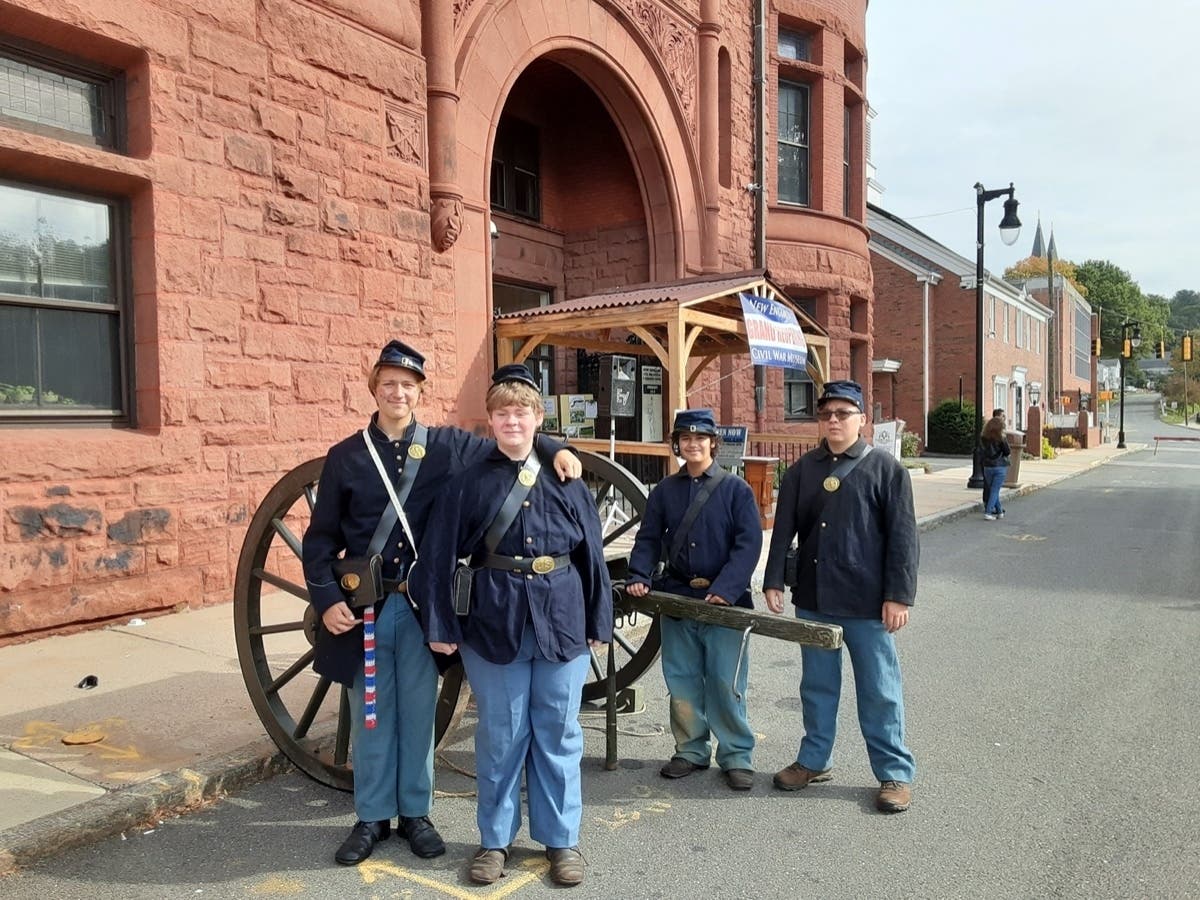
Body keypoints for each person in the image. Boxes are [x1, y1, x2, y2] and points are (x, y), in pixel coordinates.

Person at [302, 342, 581, 867]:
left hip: (419, 605)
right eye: (388, 382)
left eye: (408, 385)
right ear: (374, 388)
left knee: (417, 710)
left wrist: (556, 447)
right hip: (366, 608)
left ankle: (415, 814)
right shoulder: (346, 456)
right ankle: (371, 818)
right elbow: (319, 541)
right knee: (370, 716)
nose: (398, 392)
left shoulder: (448, 446)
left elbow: (513, 438)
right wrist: (323, 598)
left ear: (420, 392)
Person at [412, 364, 613, 888]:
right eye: (502, 413)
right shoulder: (468, 482)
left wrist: (600, 619)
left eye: (521, 412)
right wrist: (440, 623)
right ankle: (494, 840)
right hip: (492, 620)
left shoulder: (566, 478)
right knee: (501, 735)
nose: (512, 421)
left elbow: (591, 552)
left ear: (537, 418)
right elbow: (437, 557)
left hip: (562, 620)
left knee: (559, 733)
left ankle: (561, 841)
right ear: (492, 419)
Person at [763, 379, 919, 814]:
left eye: (843, 414)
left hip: (868, 602)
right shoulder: (801, 471)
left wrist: (899, 596)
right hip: (813, 598)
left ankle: (894, 773)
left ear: (862, 419)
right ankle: (814, 760)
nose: (833, 421)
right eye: (827, 414)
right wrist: (773, 579)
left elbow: (903, 540)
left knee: (879, 690)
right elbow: (784, 530)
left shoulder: (887, 470)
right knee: (816, 686)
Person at [625, 409, 763, 790]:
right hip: (679, 595)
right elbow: (649, 538)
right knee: (682, 678)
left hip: (724, 600)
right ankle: (690, 750)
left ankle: (736, 755)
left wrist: (727, 588)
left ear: (713, 443)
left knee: (725, 680)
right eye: (685, 438)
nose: (693, 444)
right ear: (677, 445)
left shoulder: (736, 491)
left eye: (700, 438)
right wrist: (638, 575)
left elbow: (748, 543)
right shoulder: (665, 491)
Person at [980, 415, 1011, 520]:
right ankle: (988, 512)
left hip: (987, 466)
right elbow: (1007, 452)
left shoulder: (984, 437)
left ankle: (999, 511)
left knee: (993, 489)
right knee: (995, 490)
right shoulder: (1001, 438)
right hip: (1000, 466)